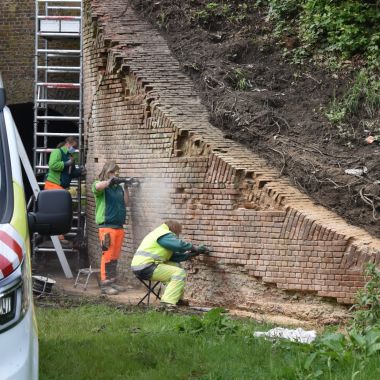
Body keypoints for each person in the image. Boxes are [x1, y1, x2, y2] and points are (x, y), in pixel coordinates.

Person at [131, 220, 209, 310]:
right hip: (146, 267)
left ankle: (177, 299)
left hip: (142, 267)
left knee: (176, 266)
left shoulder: (158, 234)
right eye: (178, 233)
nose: (177, 236)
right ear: (174, 229)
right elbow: (179, 245)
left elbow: (174, 257)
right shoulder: (164, 234)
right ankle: (167, 303)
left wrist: (193, 253)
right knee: (178, 273)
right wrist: (195, 248)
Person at [92, 160, 129, 295]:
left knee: (114, 256)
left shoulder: (118, 188)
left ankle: (112, 281)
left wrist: (125, 187)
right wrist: (110, 182)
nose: (116, 174)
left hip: (119, 226)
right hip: (107, 226)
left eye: (117, 172)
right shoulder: (99, 184)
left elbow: (126, 202)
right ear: (107, 172)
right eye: (113, 171)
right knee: (107, 255)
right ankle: (105, 284)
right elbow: (98, 187)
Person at [44, 136, 84, 243]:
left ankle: (58, 235)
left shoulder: (70, 156)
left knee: (62, 211)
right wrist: (66, 164)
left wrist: (80, 171)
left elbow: (70, 173)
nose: (74, 149)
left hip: (61, 187)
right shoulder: (57, 152)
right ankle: (57, 236)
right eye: (74, 146)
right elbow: (52, 165)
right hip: (53, 185)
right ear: (68, 143)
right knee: (58, 211)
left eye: (75, 147)